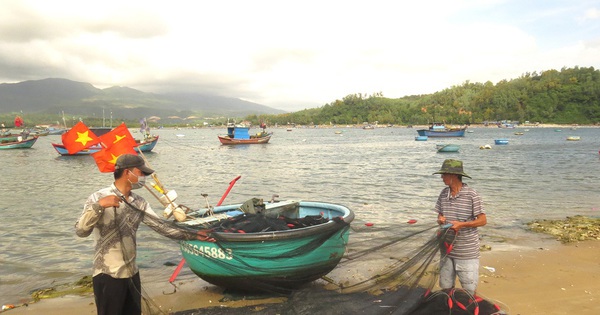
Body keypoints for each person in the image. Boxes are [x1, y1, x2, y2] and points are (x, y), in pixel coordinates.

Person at [75, 154, 212, 315]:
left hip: (132, 273)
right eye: (141, 173)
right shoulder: (98, 197)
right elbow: (81, 231)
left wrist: (194, 235)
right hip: (107, 275)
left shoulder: (139, 203)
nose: (144, 178)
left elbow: (161, 227)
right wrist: (99, 206)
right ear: (127, 173)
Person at [432, 159, 487, 295]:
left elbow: (482, 220)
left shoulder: (471, 195)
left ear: (454, 175)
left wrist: (461, 224)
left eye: (444, 174)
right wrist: (440, 219)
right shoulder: (444, 193)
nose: (441, 177)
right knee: (445, 288)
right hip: (446, 250)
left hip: (466, 252)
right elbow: (440, 215)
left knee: (469, 291)